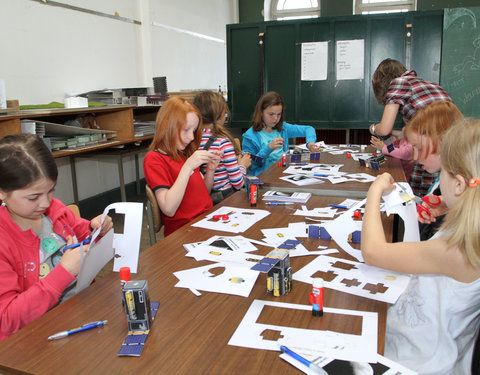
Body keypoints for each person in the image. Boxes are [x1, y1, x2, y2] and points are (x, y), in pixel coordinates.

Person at [361, 119, 480, 374]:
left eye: (444, 174)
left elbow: (372, 251)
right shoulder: (471, 233)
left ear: (459, 184)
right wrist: (450, 206)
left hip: (416, 360)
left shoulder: (456, 251)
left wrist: (374, 192)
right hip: (429, 342)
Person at [0, 133, 113, 341]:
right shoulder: (4, 239)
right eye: (33, 197)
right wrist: (65, 271)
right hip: (33, 336)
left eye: (50, 191)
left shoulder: (56, 210)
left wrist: (95, 229)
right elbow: (7, 319)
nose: (44, 203)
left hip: (79, 311)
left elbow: (85, 235)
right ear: (2, 192)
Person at [369, 58, 452, 196]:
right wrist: (399, 135)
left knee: (417, 197)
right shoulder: (429, 85)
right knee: (439, 194)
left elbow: (384, 129)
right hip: (448, 151)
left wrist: (373, 128)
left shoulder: (399, 82)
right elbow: (421, 131)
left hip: (432, 151)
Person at [143, 96, 221, 236]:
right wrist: (187, 167)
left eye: (194, 131)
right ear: (167, 126)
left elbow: (204, 193)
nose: (191, 137)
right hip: (183, 231)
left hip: (206, 219)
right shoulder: (154, 160)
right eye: (186, 130)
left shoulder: (184, 153)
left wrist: (210, 171)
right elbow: (168, 208)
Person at [404, 101, 464, 240]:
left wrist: (375, 193)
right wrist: (447, 202)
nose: (415, 157)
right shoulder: (447, 182)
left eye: (419, 148)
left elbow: (374, 252)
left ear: (442, 142)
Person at [242, 91, 321, 176]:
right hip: (262, 181)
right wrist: (268, 148)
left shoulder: (283, 128)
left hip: (282, 175)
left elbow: (309, 129)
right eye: (271, 114)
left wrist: (310, 143)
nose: (275, 118)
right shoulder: (250, 136)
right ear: (261, 112)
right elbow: (251, 166)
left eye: (279, 114)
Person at [193, 91, 251, 205]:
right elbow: (238, 183)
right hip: (225, 199)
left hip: (203, 198)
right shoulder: (222, 143)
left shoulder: (191, 139)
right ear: (219, 115)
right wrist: (243, 165)